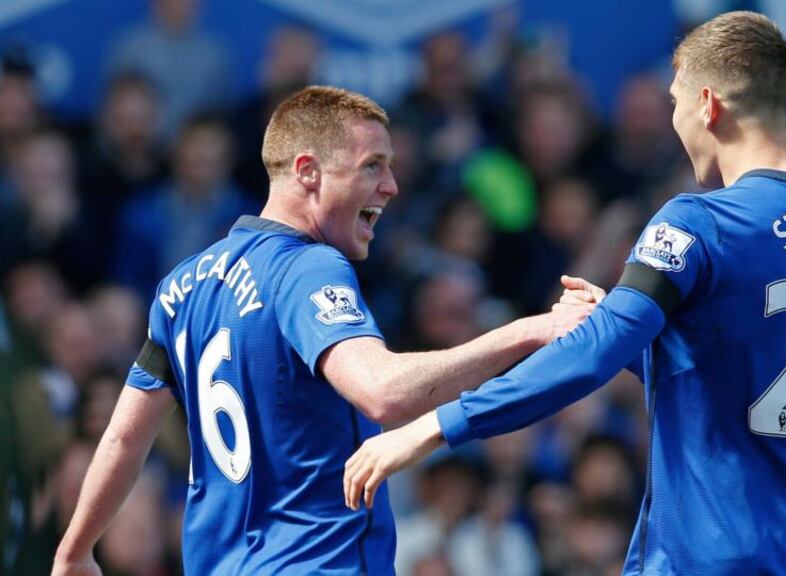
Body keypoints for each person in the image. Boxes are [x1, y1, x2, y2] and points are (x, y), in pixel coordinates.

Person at [344, 11, 786, 575]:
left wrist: (433, 426)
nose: (676, 125)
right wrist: (624, 326)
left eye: (675, 105)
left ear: (708, 105)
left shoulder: (700, 221)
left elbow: (592, 358)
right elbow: (745, 376)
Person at [52, 86, 589, 575]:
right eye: (373, 166)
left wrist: (75, 551)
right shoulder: (307, 267)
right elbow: (383, 391)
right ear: (308, 171)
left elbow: (125, 437)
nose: (393, 186)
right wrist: (531, 330)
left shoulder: (182, 286)